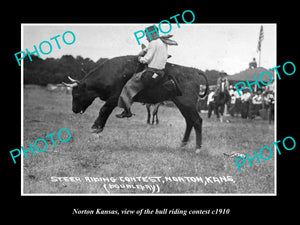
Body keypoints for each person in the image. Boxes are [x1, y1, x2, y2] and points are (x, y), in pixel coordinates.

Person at [116, 25, 178, 118]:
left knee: (128, 86)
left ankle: (127, 111)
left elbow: (146, 59)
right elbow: (151, 50)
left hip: (150, 73)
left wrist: (140, 58)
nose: (146, 37)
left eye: (146, 35)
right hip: (160, 73)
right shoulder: (163, 42)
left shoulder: (153, 43)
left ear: (151, 34)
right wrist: (145, 50)